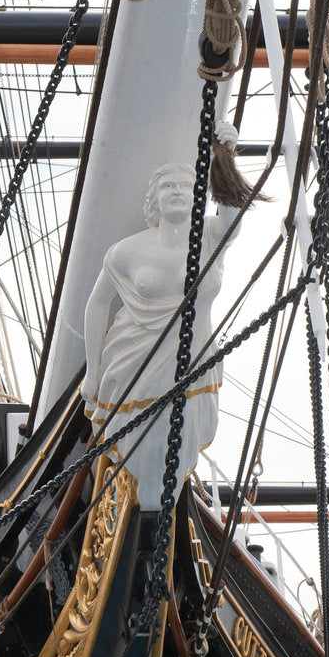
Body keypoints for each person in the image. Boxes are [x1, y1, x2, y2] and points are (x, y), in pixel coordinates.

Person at [81, 120, 243, 509]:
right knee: (140, 449)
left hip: (193, 364)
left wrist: (225, 157)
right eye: (168, 186)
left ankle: (153, 510)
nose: (177, 192)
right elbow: (98, 304)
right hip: (133, 365)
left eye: (186, 186)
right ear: (154, 198)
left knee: (174, 446)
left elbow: (233, 213)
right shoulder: (127, 250)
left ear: (197, 196)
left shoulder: (210, 237)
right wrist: (93, 371)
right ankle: (144, 508)